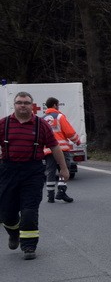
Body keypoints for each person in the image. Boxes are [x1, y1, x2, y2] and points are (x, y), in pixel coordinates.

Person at [1, 92, 70, 259]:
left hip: (32, 172)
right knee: (6, 212)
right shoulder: (4, 124)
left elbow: (54, 147)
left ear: (32, 106)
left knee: (29, 210)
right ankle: (14, 233)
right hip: (8, 171)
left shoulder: (41, 125)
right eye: (19, 102)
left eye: (26, 103)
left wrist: (64, 168)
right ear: (14, 105)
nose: (22, 105)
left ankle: (29, 247)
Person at [41, 97, 81, 203]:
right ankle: (61, 192)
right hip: (62, 149)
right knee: (64, 170)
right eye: (58, 105)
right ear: (54, 105)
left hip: (48, 150)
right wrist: (77, 140)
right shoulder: (59, 116)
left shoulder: (42, 119)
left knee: (50, 171)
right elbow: (69, 132)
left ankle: (50, 196)